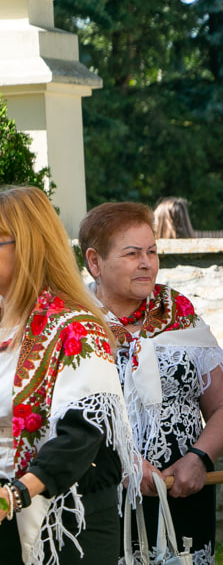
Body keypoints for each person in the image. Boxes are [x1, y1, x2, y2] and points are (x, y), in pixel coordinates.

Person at [78, 202, 223, 565]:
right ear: (94, 261)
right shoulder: (73, 321)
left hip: (183, 490)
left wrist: (199, 459)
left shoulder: (179, 313)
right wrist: (124, 465)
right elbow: (54, 418)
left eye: (152, 251)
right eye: (132, 253)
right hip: (101, 494)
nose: (147, 263)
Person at [0, 186, 141, 564]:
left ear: (27, 246)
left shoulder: (76, 328)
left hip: (66, 525)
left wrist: (13, 494)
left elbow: (83, 432)